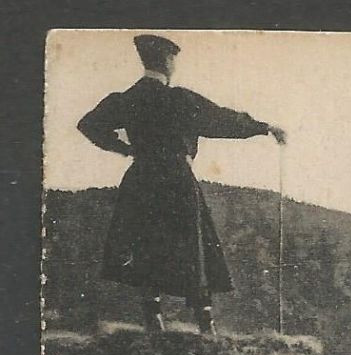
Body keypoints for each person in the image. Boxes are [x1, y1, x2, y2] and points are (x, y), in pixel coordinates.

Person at [77, 34, 287, 333]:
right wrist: (264, 127)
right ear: (167, 60)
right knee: (192, 245)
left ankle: (154, 318)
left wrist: (126, 149)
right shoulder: (179, 99)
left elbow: (88, 125)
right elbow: (221, 120)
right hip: (176, 177)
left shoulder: (126, 99)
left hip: (141, 177)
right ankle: (205, 322)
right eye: (174, 60)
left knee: (145, 241)